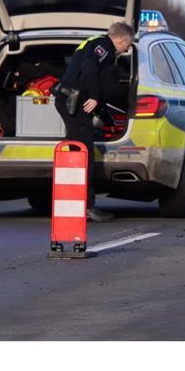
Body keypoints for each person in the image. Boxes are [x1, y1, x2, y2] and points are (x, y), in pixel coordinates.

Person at [53, 22, 134, 222]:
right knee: (82, 154)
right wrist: (96, 97)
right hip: (72, 100)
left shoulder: (94, 43)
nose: (128, 49)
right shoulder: (104, 46)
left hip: (72, 100)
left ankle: (74, 204)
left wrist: (102, 111)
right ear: (122, 39)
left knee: (78, 151)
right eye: (128, 44)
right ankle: (86, 207)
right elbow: (89, 68)